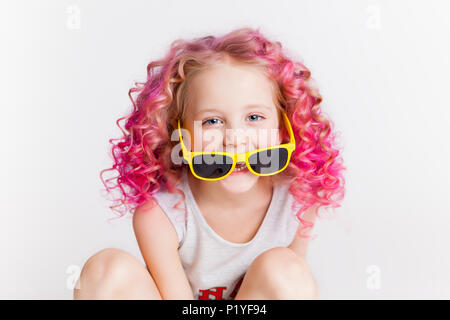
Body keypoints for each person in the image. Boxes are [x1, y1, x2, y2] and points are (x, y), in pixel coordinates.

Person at [73, 27, 346, 300]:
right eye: (212, 121)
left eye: (254, 117)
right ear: (180, 134)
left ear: (283, 128)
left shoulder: (298, 199)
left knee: (286, 270)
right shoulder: (159, 215)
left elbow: (291, 288)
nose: (235, 139)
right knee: (105, 271)